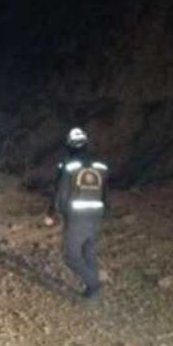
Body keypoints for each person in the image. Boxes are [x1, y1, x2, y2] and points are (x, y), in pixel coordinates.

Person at [50, 127, 109, 300]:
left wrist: (53, 212)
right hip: (96, 215)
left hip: (77, 217)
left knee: (71, 256)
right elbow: (105, 191)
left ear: (69, 144)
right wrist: (106, 211)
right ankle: (92, 292)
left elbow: (60, 192)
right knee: (88, 251)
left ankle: (94, 284)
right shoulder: (100, 165)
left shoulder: (68, 165)